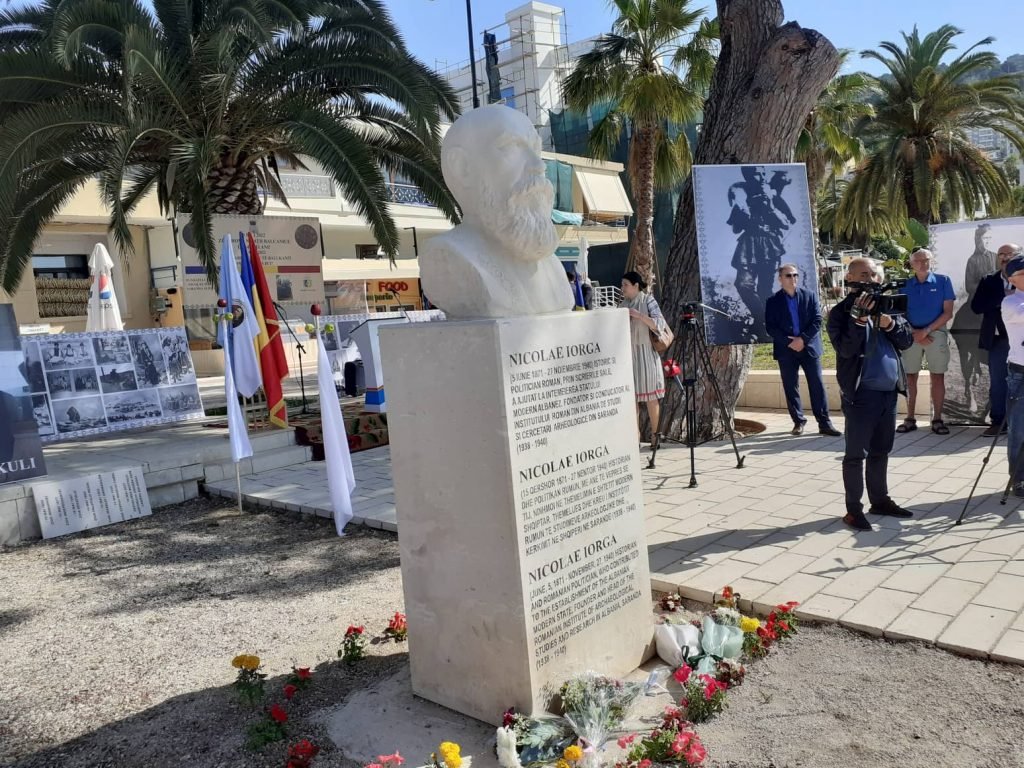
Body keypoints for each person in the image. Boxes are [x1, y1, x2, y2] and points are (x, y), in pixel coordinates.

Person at [419, 105, 574, 319]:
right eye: (512, 147)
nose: (538, 165)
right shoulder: (448, 257)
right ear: (463, 168)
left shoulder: (552, 267)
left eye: (536, 149)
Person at [827, 257, 914, 531]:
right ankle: (853, 510)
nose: (870, 279)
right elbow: (846, 350)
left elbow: (907, 341)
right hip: (861, 395)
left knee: (881, 450)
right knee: (856, 455)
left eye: (874, 274)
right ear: (850, 278)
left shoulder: (888, 306)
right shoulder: (840, 312)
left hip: (888, 393)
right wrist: (859, 321)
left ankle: (880, 500)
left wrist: (889, 324)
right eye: (864, 274)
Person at [764, 262, 841, 436]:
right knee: (791, 387)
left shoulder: (810, 296)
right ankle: (798, 422)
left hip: (809, 348)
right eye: (788, 275)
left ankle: (824, 423)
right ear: (780, 279)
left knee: (817, 385)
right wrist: (789, 342)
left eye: (795, 275)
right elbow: (770, 327)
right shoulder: (772, 301)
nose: (793, 278)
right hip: (786, 350)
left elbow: (817, 320)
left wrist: (803, 340)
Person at [727, 166, 796, 339]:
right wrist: (743, 213)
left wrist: (770, 206)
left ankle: (765, 326)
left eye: (763, 173)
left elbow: (786, 223)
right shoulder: (740, 194)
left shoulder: (772, 195)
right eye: (757, 174)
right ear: (748, 176)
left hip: (769, 246)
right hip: (748, 245)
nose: (762, 177)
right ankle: (761, 321)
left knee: (765, 288)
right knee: (743, 285)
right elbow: (735, 229)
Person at [896, 248, 955, 435]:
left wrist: (926, 331)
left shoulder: (943, 281)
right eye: (918, 261)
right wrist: (916, 333)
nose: (922, 264)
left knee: (937, 376)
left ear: (931, 261)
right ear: (911, 264)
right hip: (911, 334)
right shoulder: (905, 284)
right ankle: (909, 418)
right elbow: (898, 313)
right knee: (910, 377)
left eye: (926, 260)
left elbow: (948, 312)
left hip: (935, 333)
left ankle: (937, 419)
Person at [970, 243, 1021, 436]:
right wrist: (1004, 299)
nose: (1005, 257)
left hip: (1020, 340)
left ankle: (1018, 423)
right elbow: (976, 306)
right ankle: (999, 422)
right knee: (999, 382)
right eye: (1001, 254)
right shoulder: (989, 280)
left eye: (1009, 254)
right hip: (999, 340)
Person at [620, 271, 667, 441]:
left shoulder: (648, 300)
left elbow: (659, 324)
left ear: (635, 285)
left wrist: (639, 315)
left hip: (647, 355)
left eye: (625, 284)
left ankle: (656, 436)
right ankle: (635, 438)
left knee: (651, 398)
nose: (622, 288)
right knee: (631, 399)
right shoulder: (622, 305)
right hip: (629, 356)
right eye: (622, 285)